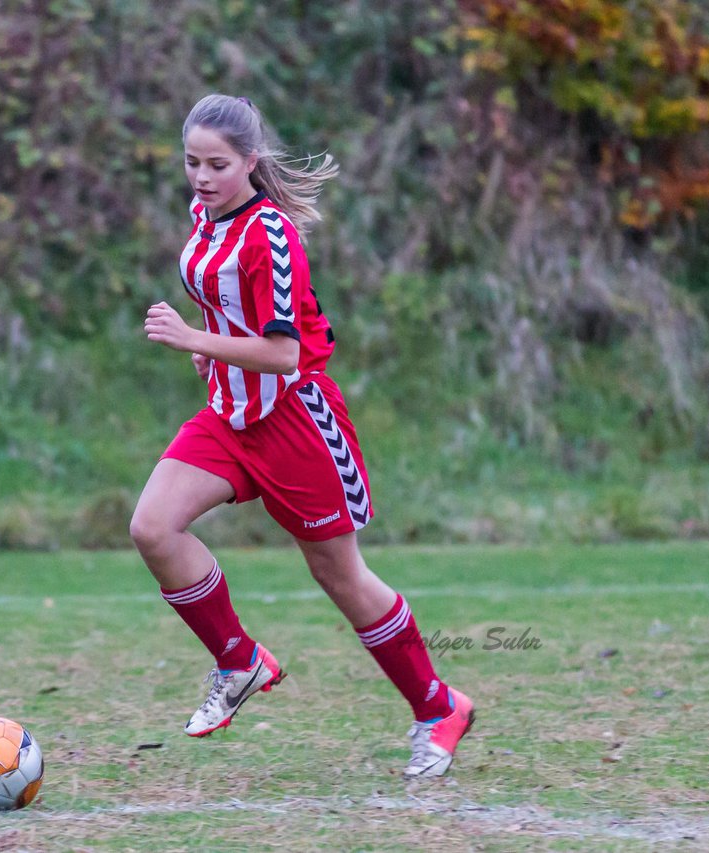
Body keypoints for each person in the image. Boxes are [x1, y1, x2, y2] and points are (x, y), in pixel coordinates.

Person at [129, 93, 475, 777]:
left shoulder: (273, 235)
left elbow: (286, 353)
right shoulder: (207, 216)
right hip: (229, 415)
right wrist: (213, 346)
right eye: (192, 162)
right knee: (153, 528)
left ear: (250, 162)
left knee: (339, 574)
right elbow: (226, 301)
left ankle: (439, 706)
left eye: (217, 165)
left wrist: (193, 337)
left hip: (296, 422)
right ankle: (240, 660)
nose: (200, 177)